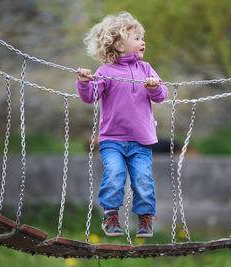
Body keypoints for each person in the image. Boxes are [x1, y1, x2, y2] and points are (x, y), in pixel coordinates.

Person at [76, 12, 168, 238]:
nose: (142, 42)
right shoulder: (105, 72)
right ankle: (110, 215)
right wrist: (84, 82)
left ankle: (145, 219)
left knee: (143, 179)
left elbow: (162, 95)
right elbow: (91, 96)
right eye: (136, 38)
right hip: (112, 140)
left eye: (141, 38)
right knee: (115, 174)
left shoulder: (146, 69)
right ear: (118, 45)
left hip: (141, 140)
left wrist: (154, 86)